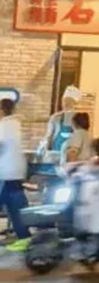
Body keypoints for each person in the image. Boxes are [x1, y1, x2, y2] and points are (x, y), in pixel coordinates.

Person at [0, 99, 30, 252]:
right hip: (15, 172)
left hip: (6, 173)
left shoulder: (4, 125)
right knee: (16, 208)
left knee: (16, 208)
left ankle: (25, 238)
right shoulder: (16, 125)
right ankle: (24, 238)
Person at [40, 85, 80, 156]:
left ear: (75, 103)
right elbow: (49, 136)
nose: (66, 103)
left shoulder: (79, 119)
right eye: (64, 100)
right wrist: (44, 146)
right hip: (55, 154)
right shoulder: (55, 118)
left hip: (71, 156)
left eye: (69, 101)